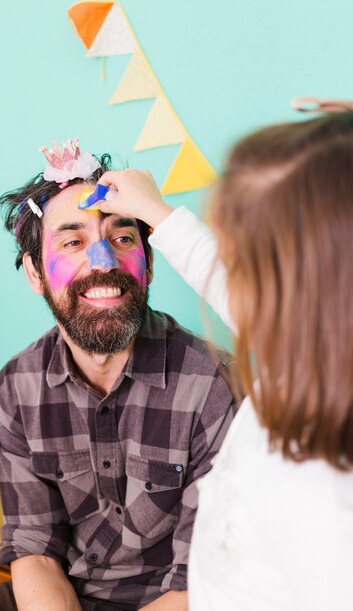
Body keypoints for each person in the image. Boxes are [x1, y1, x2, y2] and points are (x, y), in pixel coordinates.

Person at [0, 139, 238, 611]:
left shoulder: (215, 385)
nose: (103, 262)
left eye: (122, 239)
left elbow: (204, 582)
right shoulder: (15, 388)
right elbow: (35, 548)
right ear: (35, 273)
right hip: (65, 592)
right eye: (73, 242)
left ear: (151, 263)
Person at [89, 108, 353, 610]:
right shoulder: (302, 347)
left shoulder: (326, 487)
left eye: (245, 250)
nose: (227, 260)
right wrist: (159, 214)